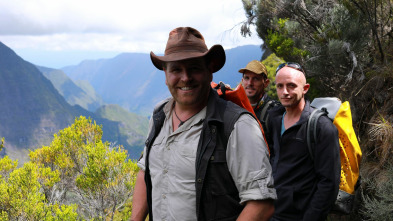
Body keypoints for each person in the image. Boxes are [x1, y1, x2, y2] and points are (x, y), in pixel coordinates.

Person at [130, 27, 276, 221]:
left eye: (194, 68)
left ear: (210, 71)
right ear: (165, 75)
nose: (185, 78)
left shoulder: (237, 125)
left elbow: (262, 204)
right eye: (176, 69)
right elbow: (146, 171)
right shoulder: (160, 115)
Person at [267, 62, 340, 221]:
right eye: (280, 86)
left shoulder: (322, 127)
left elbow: (329, 183)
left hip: (300, 215)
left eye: (291, 86)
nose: (284, 92)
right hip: (272, 211)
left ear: (305, 88)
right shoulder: (274, 118)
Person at [239, 60, 280, 136]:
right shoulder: (236, 107)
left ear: (266, 83)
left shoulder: (274, 111)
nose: (250, 83)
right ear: (242, 81)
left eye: (256, 79)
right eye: (247, 78)